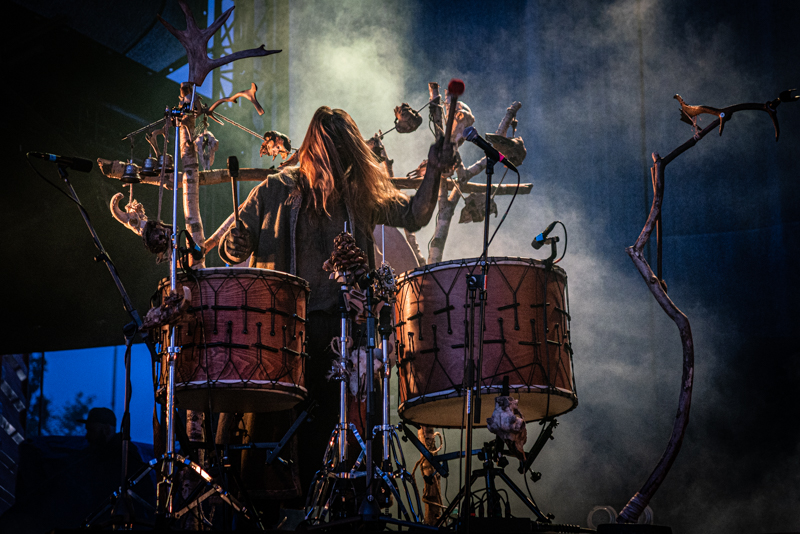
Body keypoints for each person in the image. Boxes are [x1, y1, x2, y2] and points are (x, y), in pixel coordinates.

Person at [217, 106, 454, 512]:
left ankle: (342, 509)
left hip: (343, 334)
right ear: (315, 148)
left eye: (344, 152)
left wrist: (434, 170)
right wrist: (234, 244)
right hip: (281, 334)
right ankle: (268, 511)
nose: (337, 161)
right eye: (331, 150)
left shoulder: (358, 194)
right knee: (273, 435)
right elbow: (231, 247)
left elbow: (414, 215)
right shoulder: (276, 188)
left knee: (338, 436)